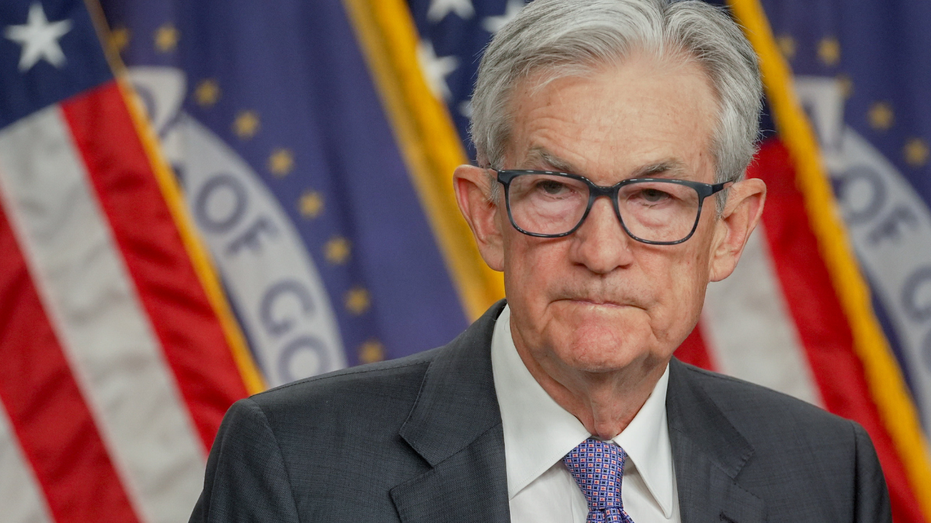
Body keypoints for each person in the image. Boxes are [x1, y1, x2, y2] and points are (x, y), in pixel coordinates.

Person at [190, 0, 891, 521]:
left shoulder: (827, 474)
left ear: (730, 229)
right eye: (554, 189)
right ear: (486, 213)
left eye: (653, 195)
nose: (601, 251)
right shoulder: (294, 464)